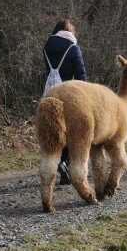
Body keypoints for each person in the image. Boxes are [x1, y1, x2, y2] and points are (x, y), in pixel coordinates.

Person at [42, 19, 87, 184]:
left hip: (50, 93)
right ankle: (65, 162)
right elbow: (81, 76)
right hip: (69, 95)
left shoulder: (47, 48)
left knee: (55, 131)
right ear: (69, 31)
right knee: (70, 131)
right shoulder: (73, 48)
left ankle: (56, 166)